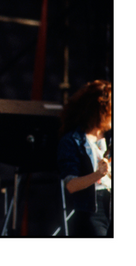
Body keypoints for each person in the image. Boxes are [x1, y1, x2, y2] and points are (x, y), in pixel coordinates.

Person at [57, 79, 112, 236]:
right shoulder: (72, 141)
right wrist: (98, 175)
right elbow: (71, 185)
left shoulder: (110, 137)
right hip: (94, 209)